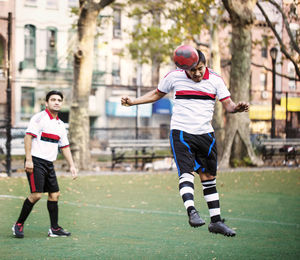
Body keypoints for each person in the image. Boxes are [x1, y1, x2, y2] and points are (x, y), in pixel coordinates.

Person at [121, 48, 249, 237]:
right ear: (185, 69)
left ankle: (216, 222)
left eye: (200, 69)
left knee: (208, 178)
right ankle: (192, 212)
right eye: (192, 70)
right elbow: (156, 94)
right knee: (186, 172)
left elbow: (227, 104)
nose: (197, 73)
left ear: (205, 65)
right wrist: (133, 102)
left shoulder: (215, 79)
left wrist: (236, 108)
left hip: (206, 134)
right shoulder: (174, 77)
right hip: (181, 132)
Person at [12, 90, 78, 238]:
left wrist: (72, 165)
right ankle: (18, 224)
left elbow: (65, 147)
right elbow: (28, 138)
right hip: (35, 161)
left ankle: (54, 229)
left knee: (54, 195)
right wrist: (28, 159)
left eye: (59, 100)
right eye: (53, 99)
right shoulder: (39, 118)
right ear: (46, 103)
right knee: (36, 195)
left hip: (49, 163)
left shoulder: (61, 124)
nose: (56, 102)